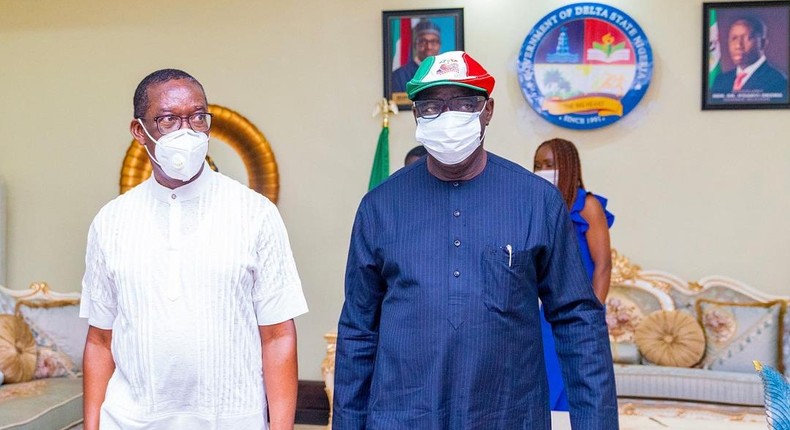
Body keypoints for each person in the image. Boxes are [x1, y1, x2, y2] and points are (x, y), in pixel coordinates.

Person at [333, 51, 618, 429]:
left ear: (487, 111)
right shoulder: (380, 207)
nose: (447, 116)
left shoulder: (536, 201)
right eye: (432, 105)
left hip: (506, 414)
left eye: (464, 103)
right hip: (403, 414)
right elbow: (358, 330)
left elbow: (577, 319)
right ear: (416, 115)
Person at [80, 69, 308, 430]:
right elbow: (100, 340)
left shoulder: (255, 213)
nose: (187, 130)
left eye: (198, 117)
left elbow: (278, 335)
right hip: (130, 421)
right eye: (169, 119)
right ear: (139, 131)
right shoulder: (110, 222)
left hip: (232, 420)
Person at [533, 137, 615, 411]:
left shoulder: (587, 205)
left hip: (580, 313)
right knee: (544, 384)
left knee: (577, 385)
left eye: (549, 164)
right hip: (543, 315)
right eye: (537, 165)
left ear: (567, 166)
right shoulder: (538, 207)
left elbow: (603, 264)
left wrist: (594, 312)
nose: (542, 169)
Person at [711, 16, 788, 98]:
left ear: (762, 43)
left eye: (747, 38)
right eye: (734, 38)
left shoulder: (777, 81)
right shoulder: (720, 80)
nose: (738, 45)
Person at [391, 20, 442, 93]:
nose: (429, 47)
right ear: (415, 45)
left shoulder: (447, 74)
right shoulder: (399, 76)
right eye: (423, 42)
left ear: (440, 45)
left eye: (433, 42)